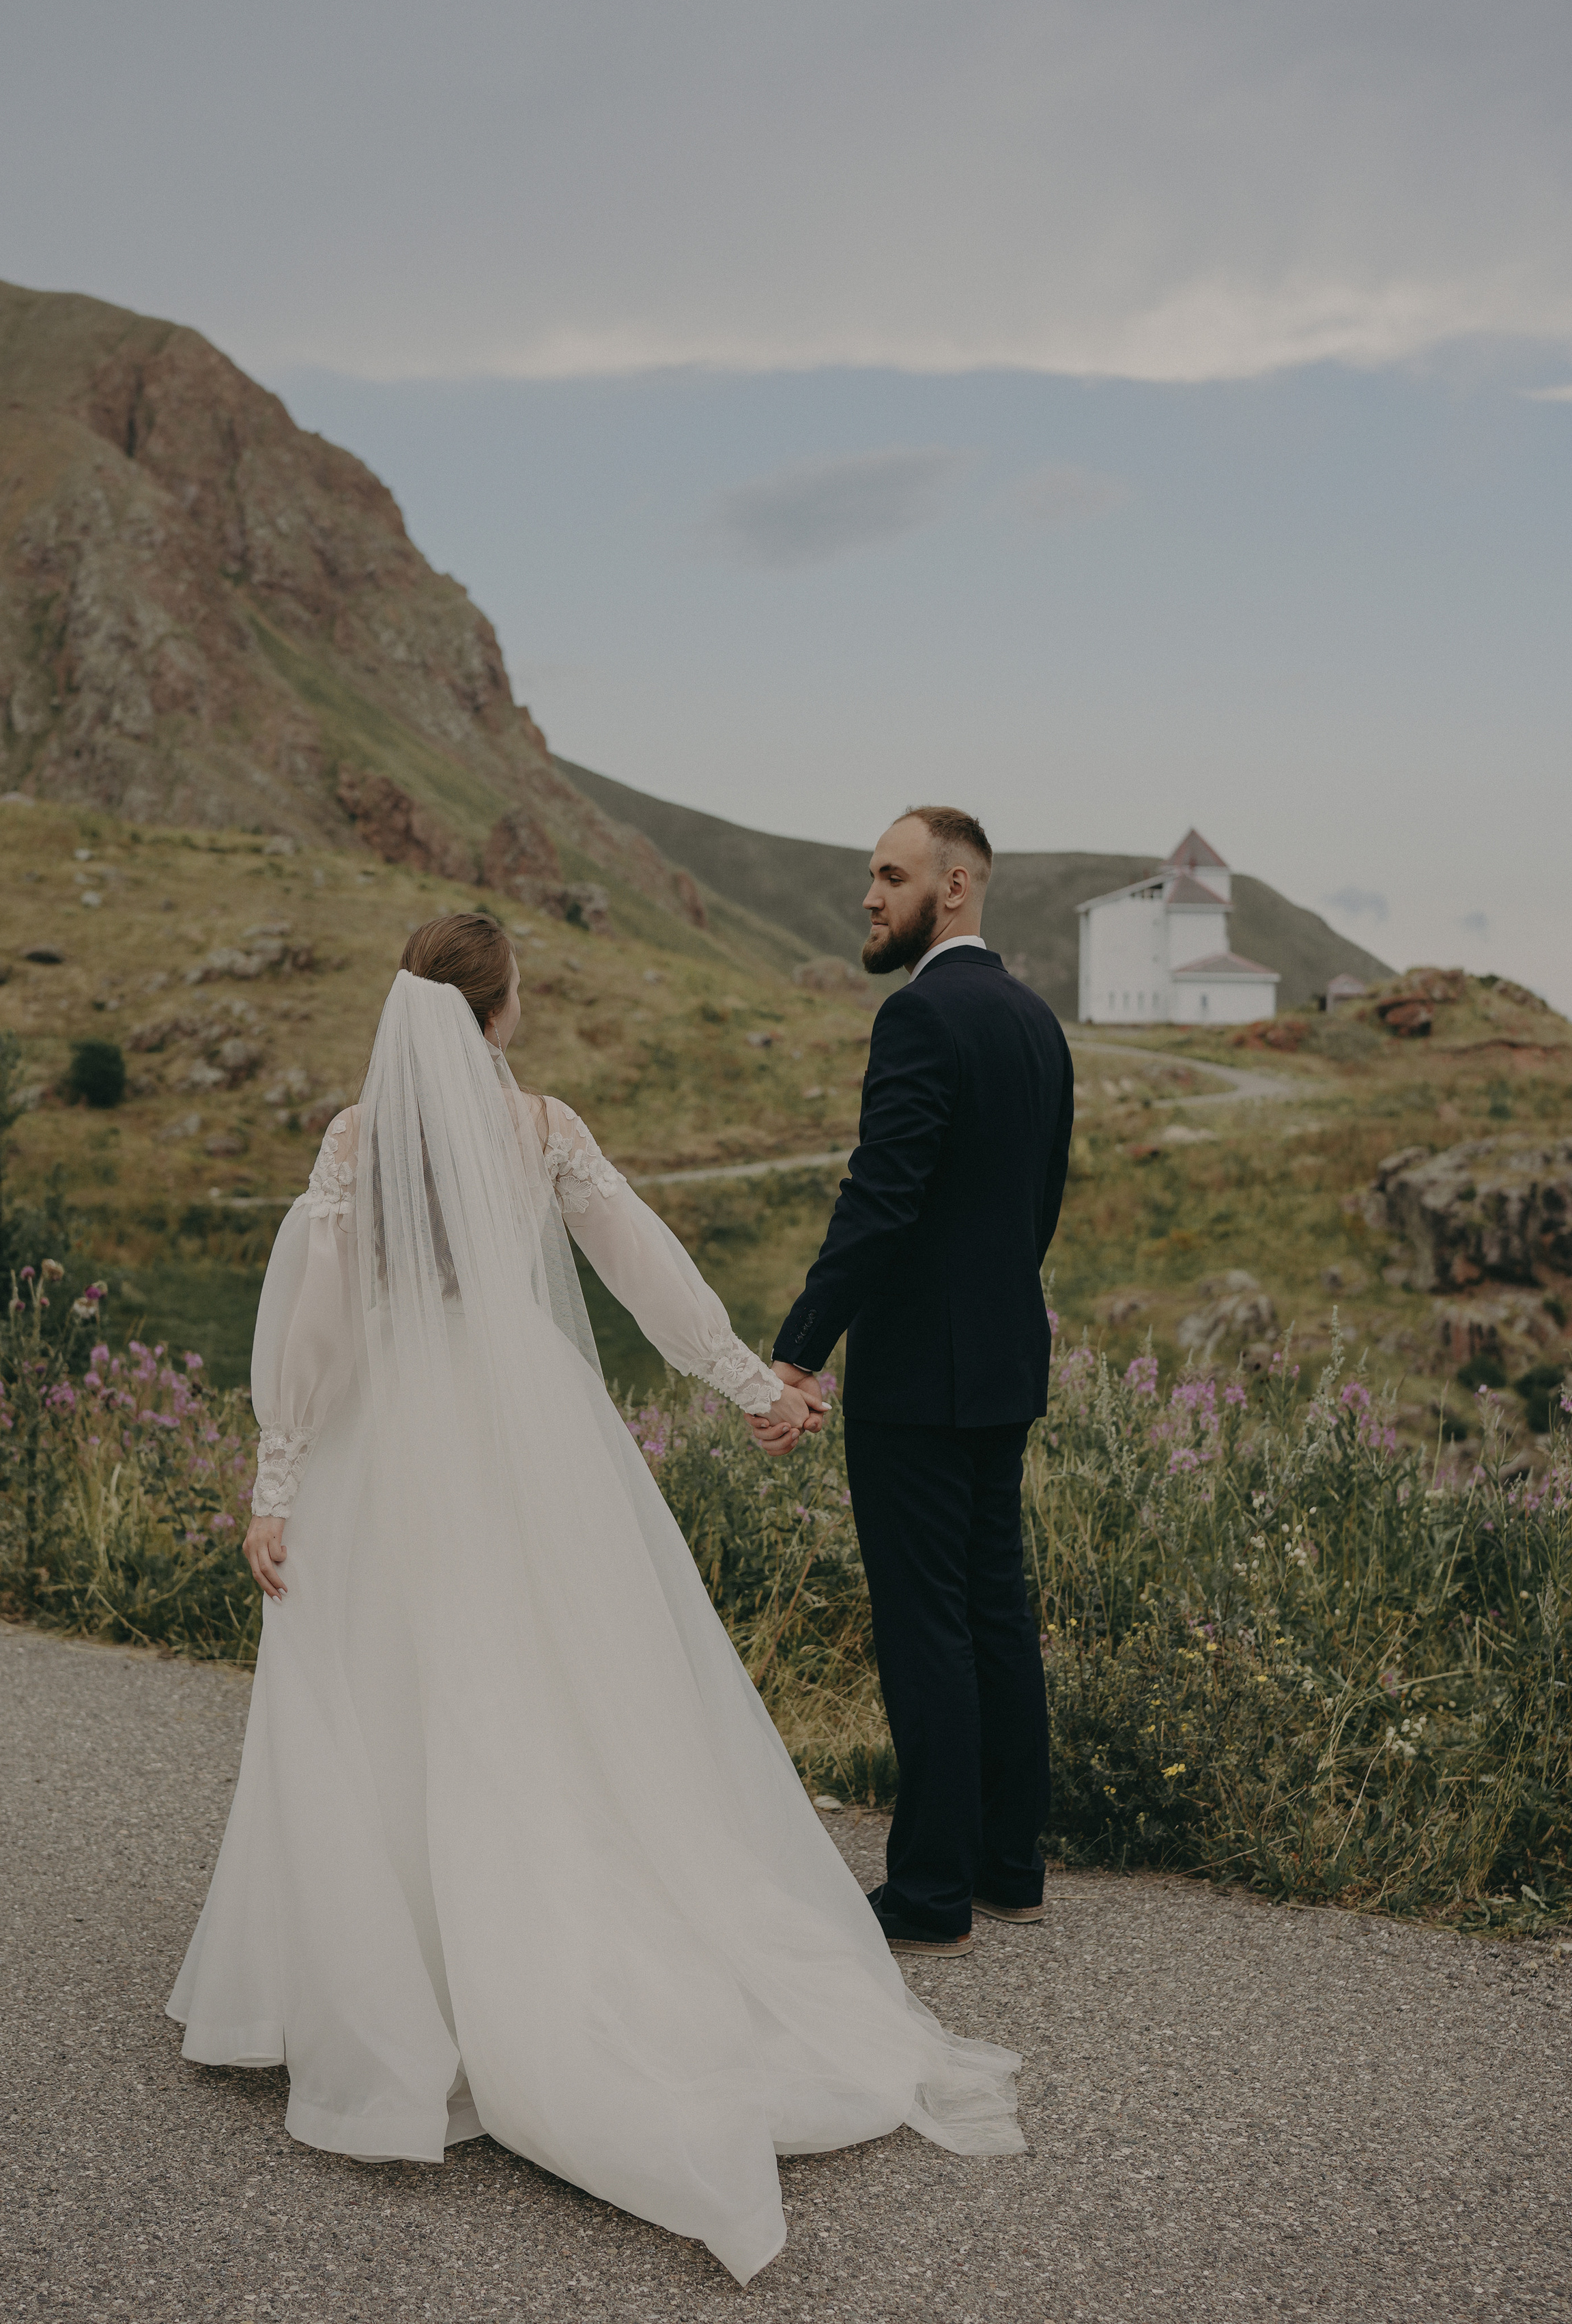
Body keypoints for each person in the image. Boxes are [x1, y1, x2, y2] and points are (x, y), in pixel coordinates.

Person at [167, 913, 1024, 2287]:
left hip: (386, 1443)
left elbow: (312, 1326)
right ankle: (549, 1959)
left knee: (387, 1686)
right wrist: (756, 1384)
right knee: (556, 1684)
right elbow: (642, 1267)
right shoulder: (541, 1128)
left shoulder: (350, 1142)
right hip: (529, 1438)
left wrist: (276, 1479)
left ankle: (405, 1980)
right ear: (497, 1016)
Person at [764, 808, 1074, 1958]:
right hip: (1003, 1362)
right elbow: (1039, 1204)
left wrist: (798, 1349)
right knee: (998, 1609)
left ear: (953, 888)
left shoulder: (919, 1016)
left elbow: (879, 1200)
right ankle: (1011, 1868)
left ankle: (933, 1892)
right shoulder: (1039, 1022)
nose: (869, 896)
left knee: (924, 1624)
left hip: (915, 1382)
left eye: (890, 876)